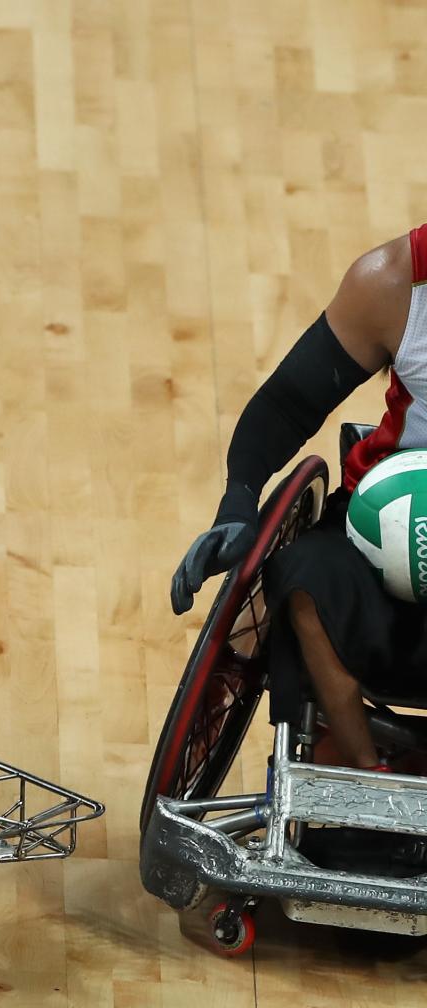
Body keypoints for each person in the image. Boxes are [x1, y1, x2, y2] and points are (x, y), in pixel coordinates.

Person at [171, 223, 427, 770]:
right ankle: (364, 775)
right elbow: (285, 407)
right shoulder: (393, 284)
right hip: (383, 530)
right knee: (307, 573)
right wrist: (237, 508)